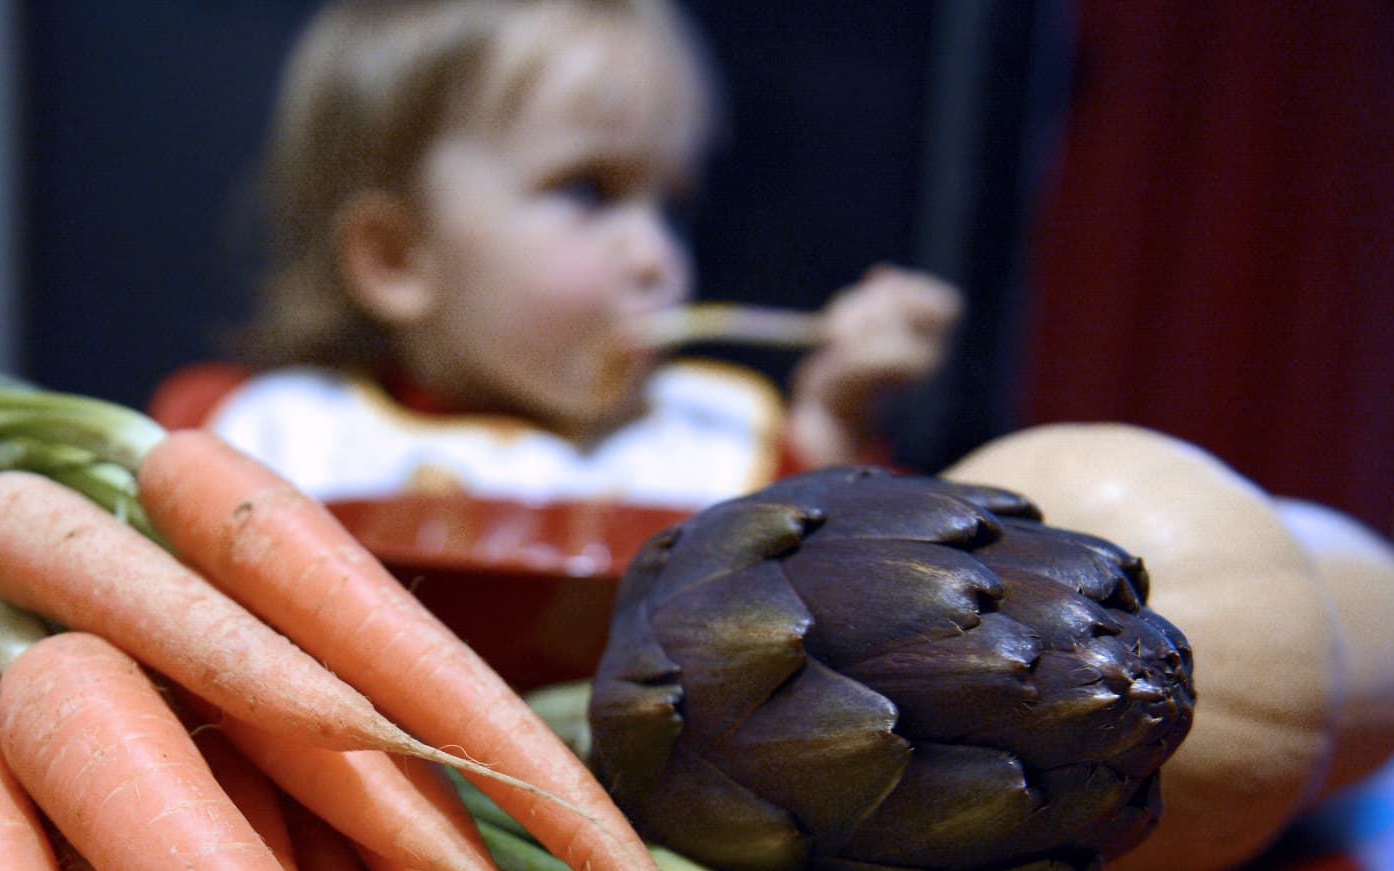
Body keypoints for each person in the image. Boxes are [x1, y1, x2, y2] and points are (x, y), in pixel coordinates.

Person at [150, 0, 961, 508]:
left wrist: (837, 422)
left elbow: (846, 591)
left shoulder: (720, 449)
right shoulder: (264, 440)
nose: (658, 260)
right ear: (398, 259)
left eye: (673, 206)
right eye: (588, 191)